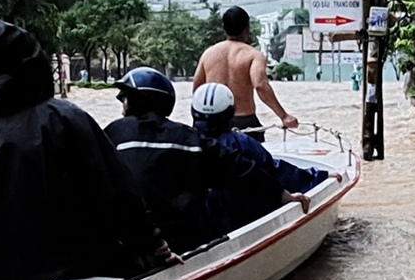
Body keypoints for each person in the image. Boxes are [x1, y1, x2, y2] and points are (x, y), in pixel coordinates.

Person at [0, 20, 175, 280]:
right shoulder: (67, 120)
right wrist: (154, 245)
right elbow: (120, 200)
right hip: (72, 276)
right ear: (36, 65)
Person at [103, 67, 297, 253]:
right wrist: (282, 195)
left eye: (125, 99)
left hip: (121, 239)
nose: (122, 107)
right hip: (179, 240)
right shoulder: (190, 139)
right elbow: (240, 170)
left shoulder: (111, 135)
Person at [190, 81, 327, 230]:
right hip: (238, 221)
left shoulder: (180, 141)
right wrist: (319, 176)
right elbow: (274, 171)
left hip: (197, 225)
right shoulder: (243, 144)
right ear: (230, 112)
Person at [194, 5, 299, 133]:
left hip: (212, 121)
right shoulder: (253, 55)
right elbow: (260, 86)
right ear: (247, 28)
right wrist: (284, 116)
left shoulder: (208, 54)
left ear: (224, 27)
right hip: (244, 121)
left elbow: (198, 89)